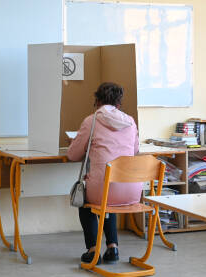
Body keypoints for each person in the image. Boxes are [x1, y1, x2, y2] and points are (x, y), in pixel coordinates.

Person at [67, 82, 141, 265]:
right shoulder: (130, 121)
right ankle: (112, 247)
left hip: (104, 189)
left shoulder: (91, 121)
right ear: (119, 102)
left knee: (87, 201)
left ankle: (92, 251)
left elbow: (73, 155)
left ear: (97, 100)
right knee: (110, 194)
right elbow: (136, 150)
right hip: (132, 190)